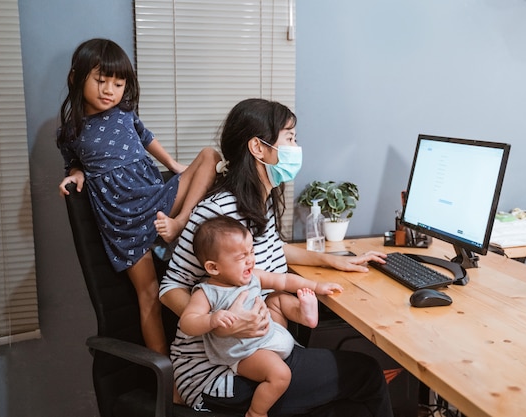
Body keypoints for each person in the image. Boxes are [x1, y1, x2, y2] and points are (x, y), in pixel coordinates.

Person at [161, 98, 393, 416]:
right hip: (219, 370)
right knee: (367, 374)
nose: (296, 147)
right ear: (259, 148)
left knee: (345, 389)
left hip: (259, 346)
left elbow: (275, 247)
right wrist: (222, 324)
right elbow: (170, 287)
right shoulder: (219, 213)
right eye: (289, 138)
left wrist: (333, 259)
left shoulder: (259, 199)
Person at [56, 38, 220, 361]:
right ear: (77, 79)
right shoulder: (71, 130)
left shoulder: (124, 113)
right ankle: (167, 379)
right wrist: (76, 173)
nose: (109, 90)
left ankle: (180, 222)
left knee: (210, 156)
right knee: (149, 295)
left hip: (154, 199)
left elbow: (146, 137)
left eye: (118, 83)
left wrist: (172, 165)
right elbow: (73, 161)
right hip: (123, 221)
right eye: (101, 81)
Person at [179, 215, 343, 417]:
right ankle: (257, 412)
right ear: (213, 267)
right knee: (280, 375)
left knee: (279, 296)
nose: (250, 259)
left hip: (268, 337)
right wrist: (211, 320)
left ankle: (305, 314)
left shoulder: (252, 277)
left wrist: (316, 286)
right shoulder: (206, 292)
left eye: (251, 252)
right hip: (246, 353)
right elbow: (188, 322)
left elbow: (282, 280)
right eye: (241, 257)